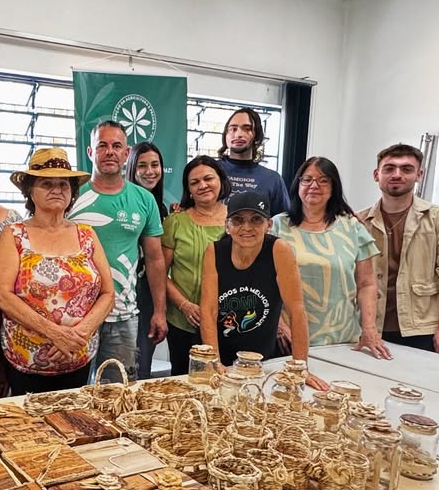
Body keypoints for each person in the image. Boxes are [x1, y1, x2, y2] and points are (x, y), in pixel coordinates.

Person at [0, 148, 114, 395]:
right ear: (29, 191)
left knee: (77, 415)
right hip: (28, 363)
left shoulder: (87, 234)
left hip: (78, 355)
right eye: (46, 183)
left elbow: (108, 293)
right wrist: (55, 333)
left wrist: (79, 334)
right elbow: (3, 296)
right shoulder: (14, 234)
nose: (56, 189)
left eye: (63, 184)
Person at [70, 120, 167, 383]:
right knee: (72, 394)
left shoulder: (144, 199)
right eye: (102, 145)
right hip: (75, 316)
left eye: (116, 146)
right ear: (90, 152)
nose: (109, 152)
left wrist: (159, 311)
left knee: (117, 392)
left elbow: (155, 259)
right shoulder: (71, 197)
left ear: (126, 153)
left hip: (122, 315)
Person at [199, 191, 327, 390]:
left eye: (256, 219)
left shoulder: (279, 250)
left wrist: (300, 367)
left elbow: (296, 309)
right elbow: (208, 310)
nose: (246, 227)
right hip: (221, 353)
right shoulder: (214, 251)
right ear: (227, 226)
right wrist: (213, 361)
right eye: (238, 220)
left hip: (263, 360)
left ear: (269, 225)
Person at [357, 143, 439, 354]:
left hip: (421, 330)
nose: (397, 174)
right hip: (368, 327)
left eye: (406, 169)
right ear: (376, 175)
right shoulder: (358, 222)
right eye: (389, 168)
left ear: (419, 175)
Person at [271, 157, 388, 357]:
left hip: (341, 338)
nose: (314, 185)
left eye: (323, 180)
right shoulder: (277, 226)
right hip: (288, 338)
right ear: (297, 184)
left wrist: (369, 329)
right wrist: (278, 326)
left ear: (334, 187)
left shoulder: (352, 227)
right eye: (307, 179)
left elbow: (367, 284)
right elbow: (263, 282)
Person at [162, 156, 230, 375]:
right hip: (184, 321)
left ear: (221, 180)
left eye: (208, 178)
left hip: (228, 321)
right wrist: (184, 305)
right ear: (189, 189)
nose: (202, 185)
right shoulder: (175, 221)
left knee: (225, 379)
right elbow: (159, 273)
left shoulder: (238, 220)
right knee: (184, 381)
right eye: (194, 182)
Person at [126, 143, 170, 379]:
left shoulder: (161, 207)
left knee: (142, 363)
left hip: (149, 292)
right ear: (131, 169)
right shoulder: (124, 203)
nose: (150, 171)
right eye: (142, 166)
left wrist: (159, 309)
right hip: (124, 289)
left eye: (155, 165)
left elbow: (158, 258)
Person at [216, 107, 290, 216]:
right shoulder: (210, 171)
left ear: (257, 135)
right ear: (225, 136)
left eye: (247, 129)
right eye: (233, 129)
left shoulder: (272, 179)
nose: (238, 134)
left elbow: (283, 222)